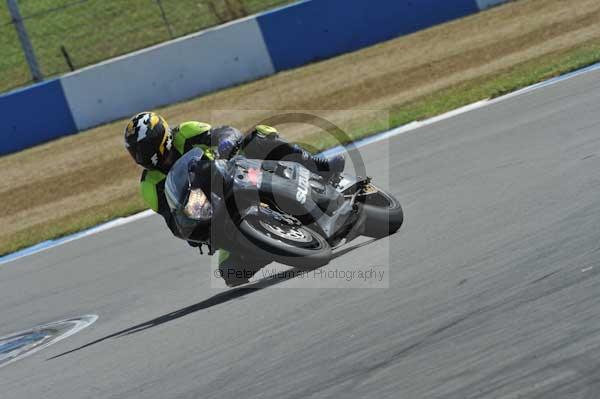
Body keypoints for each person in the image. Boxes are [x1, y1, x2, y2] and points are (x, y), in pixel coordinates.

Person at [124, 112, 344, 286]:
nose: (141, 155)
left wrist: (226, 142)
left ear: (160, 136)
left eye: (144, 147)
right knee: (230, 272)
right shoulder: (149, 184)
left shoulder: (186, 132)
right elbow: (172, 220)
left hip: (232, 171)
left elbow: (224, 132)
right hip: (212, 212)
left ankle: (320, 167)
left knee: (260, 135)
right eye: (136, 151)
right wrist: (189, 229)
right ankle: (269, 244)